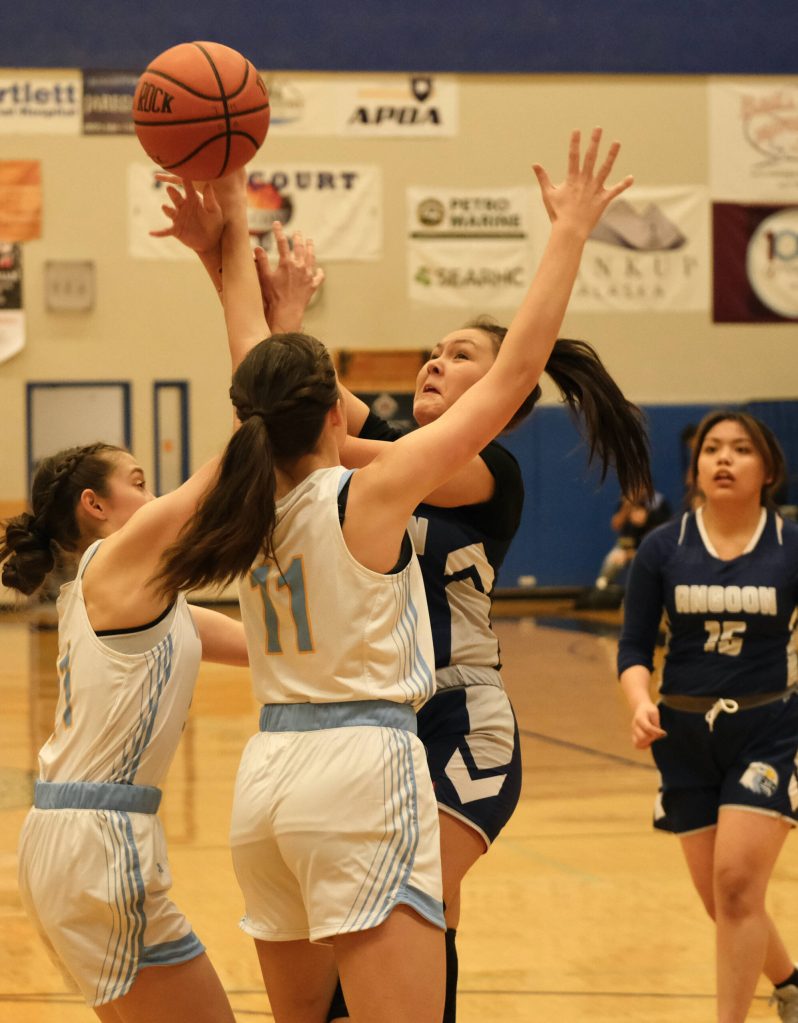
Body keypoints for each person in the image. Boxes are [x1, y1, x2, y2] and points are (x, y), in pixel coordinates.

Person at [155, 141, 650, 1023]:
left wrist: (236, 258)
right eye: (431, 349)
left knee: (403, 921)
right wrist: (261, 288)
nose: (435, 360)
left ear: (506, 389)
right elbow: (277, 397)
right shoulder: (361, 462)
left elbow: (285, 406)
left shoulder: (484, 469)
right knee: (401, 928)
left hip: (460, 719)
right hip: (370, 731)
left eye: (460, 354)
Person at [1, 437, 250, 1022]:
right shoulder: (110, 563)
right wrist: (270, 390)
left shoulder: (145, 601)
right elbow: (215, 481)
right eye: (138, 483)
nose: (154, 495)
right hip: (98, 842)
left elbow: (275, 650)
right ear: (95, 504)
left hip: (66, 838)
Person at [618, 410, 798, 1023]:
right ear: (695, 468)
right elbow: (634, 647)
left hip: (768, 730)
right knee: (722, 901)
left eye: (741, 449)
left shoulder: (789, 545)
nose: (723, 458)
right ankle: (793, 982)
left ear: (767, 469)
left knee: (738, 887)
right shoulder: (663, 546)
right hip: (682, 735)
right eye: (712, 449)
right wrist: (640, 703)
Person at [575, 488, 672, 610]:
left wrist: (647, 519)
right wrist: (627, 507)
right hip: (627, 547)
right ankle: (602, 589)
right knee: (614, 557)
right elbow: (616, 524)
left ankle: (651, 598)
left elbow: (664, 531)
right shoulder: (627, 501)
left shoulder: (657, 502)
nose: (635, 490)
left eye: (639, 486)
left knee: (646, 562)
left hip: (651, 549)